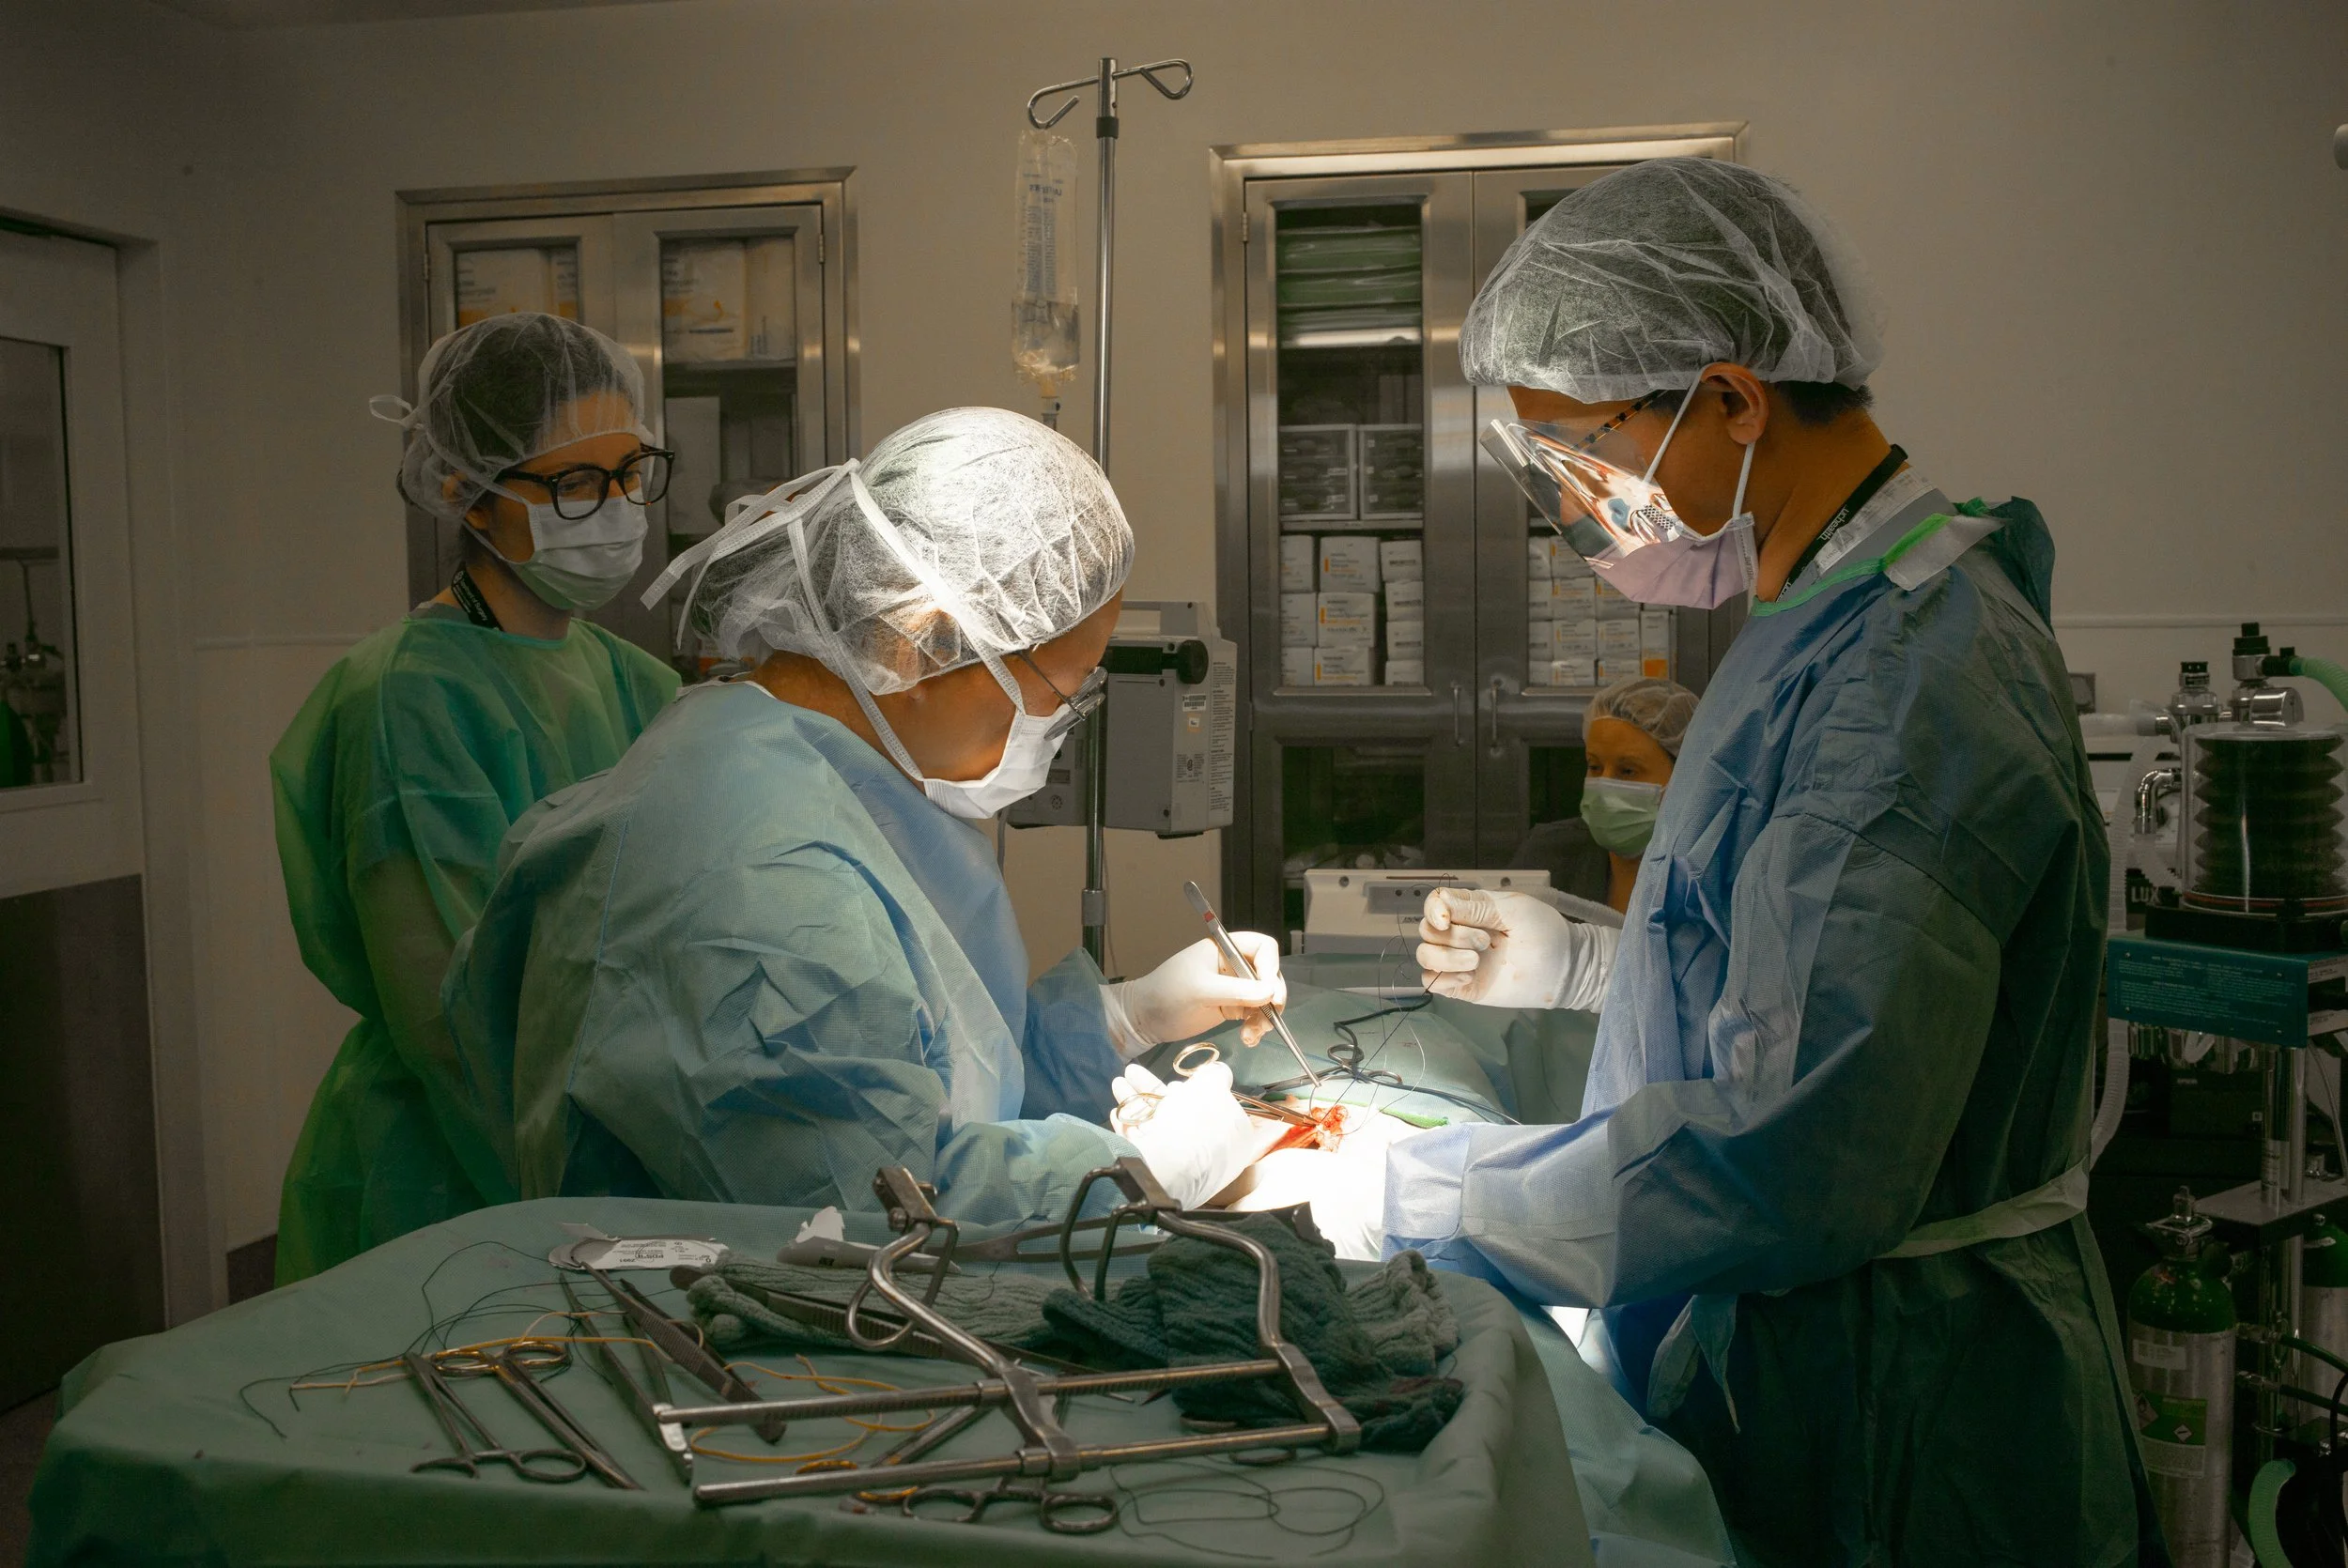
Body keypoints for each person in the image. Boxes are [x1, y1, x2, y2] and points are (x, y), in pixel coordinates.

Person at [1393, 159, 2148, 1565]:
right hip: (1830, 1367)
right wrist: (1585, 960)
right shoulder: (1823, 607)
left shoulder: (1907, 674)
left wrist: (1418, 1189)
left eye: (1585, 453)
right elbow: (1824, 973)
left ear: (1735, 400)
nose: (1574, 504)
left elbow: (1801, 1149)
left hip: (1909, 1424)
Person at [440, 407, 1285, 1226]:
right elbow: (886, 1214)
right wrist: (1143, 1177)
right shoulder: (758, 886)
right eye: (1059, 694)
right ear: (920, 645)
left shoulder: (815, 766)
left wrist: (1125, 1016)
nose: (1055, 730)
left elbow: (926, 1074)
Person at [271, 312, 680, 1282]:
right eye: (576, 484)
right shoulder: (408, 693)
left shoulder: (634, 681)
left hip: (597, 1131)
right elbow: (449, 1013)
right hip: (450, 1166)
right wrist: (578, 1178)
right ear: (466, 490)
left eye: (631, 473)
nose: (618, 507)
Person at [1508, 675, 1697, 914]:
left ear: (1684, 776)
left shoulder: (1709, 875)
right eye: (1595, 766)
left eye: (1628, 770)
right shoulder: (1549, 855)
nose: (1605, 785)